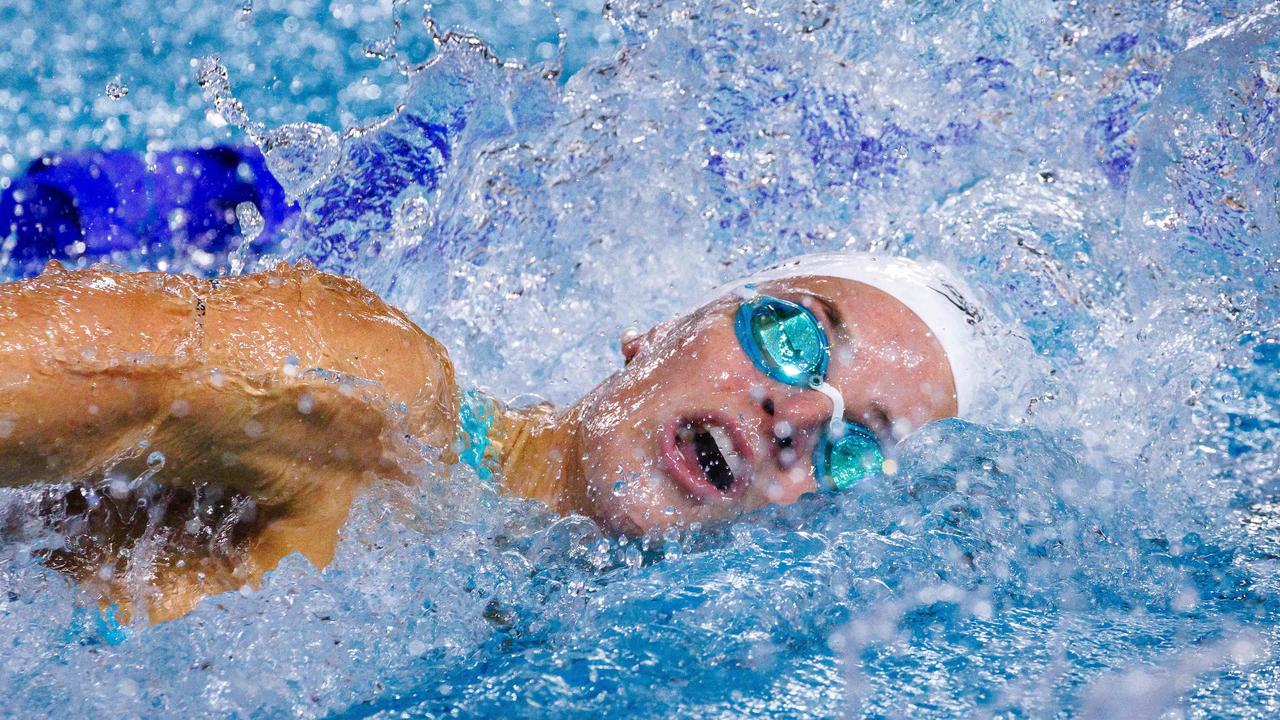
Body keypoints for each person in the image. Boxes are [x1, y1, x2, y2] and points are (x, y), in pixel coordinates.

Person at [0, 251, 983, 621]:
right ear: (664, 327)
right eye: (793, 335)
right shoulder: (363, 394)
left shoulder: (549, 628)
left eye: (858, 441)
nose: (798, 416)